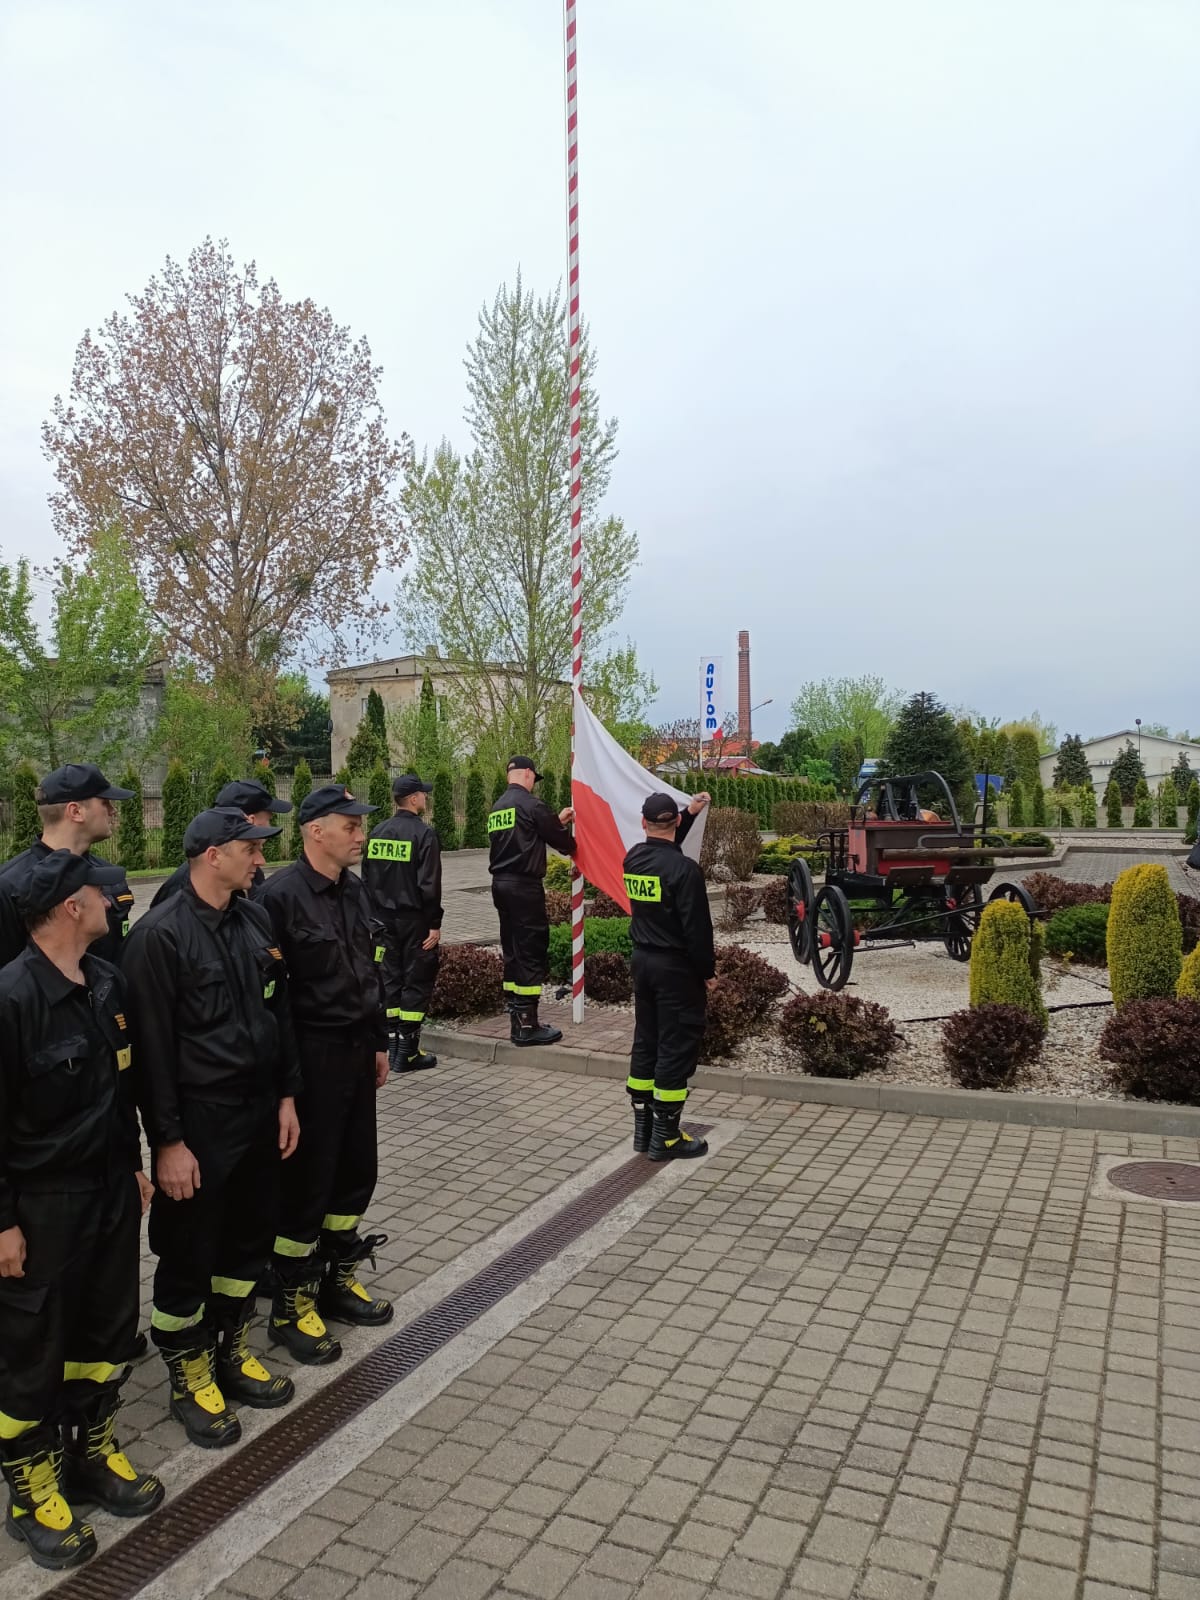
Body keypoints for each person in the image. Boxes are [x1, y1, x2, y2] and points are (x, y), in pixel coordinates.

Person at [0, 852, 162, 1572]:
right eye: (100, 891)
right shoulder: (11, 999)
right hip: (41, 1206)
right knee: (31, 1353)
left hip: (108, 1193)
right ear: (71, 906)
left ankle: (90, 1453)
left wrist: (133, 1164)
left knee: (105, 1332)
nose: (112, 900)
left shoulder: (106, 982)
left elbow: (118, 1091)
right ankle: (31, 1488)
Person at [121, 808, 300, 1449]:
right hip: (199, 1124)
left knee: (248, 1240)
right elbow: (151, 1055)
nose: (261, 859)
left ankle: (229, 1345)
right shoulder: (159, 937)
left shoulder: (253, 920)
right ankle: (188, 1371)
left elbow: (278, 1017)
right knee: (189, 1251)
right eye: (251, 849)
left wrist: (286, 1096)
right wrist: (167, 1142)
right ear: (212, 855)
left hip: (258, 1112)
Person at [257, 785, 391, 1364]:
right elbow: (272, 1004)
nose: (361, 834)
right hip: (311, 1057)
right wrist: (285, 1086)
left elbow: (370, 970)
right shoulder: (278, 899)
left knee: (356, 1171)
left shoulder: (355, 891)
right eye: (350, 825)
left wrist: (380, 1041)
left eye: (361, 824)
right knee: (307, 1185)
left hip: (358, 1052)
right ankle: (291, 1305)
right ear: (315, 830)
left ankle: (337, 1277)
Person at [622, 791, 715, 1161]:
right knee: (675, 1048)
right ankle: (667, 1138)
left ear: (643, 823)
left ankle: (644, 1131)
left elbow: (664, 845)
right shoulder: (685, 871)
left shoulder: (633, 858)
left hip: (642, 963)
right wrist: (707, 972)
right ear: (675, 823)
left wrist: (688, 812)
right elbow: (698, 930)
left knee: (647, 1042)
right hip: (675, 970)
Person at [0, 765, 137, 970]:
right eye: (105, 802)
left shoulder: (108, 875)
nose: (113, 810)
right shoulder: (8, 886)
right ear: (76, 811)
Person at [487, 756, 576, 1046]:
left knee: (512, 947)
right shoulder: (532, 805)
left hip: (500, 884)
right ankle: (527, 1025)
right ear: (528, 773)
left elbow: (523, 837)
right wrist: (567, 834)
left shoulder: (497, 808)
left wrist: (554, 822)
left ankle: (516, 1015)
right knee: (530, 949)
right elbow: (563, 843)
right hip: (524, 886)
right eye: (533, 778)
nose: (533, 784)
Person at [362, 774, 442, 1073]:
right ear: (413, 799)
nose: (426, 798)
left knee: (390, 980)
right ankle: (407, 1052)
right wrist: (434, 923)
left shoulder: (377, 832)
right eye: (423, 794)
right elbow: (429, 885)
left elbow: (366, 879)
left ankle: (393, 1045)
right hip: (414, 920)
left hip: (382, 921)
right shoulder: (424, 834)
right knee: (417, 979)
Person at [149, 779, 293, 909]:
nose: (260, 861)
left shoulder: (252, 872)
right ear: (250, 820)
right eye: (268, 820)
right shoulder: (186, 885)